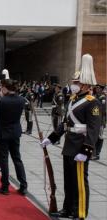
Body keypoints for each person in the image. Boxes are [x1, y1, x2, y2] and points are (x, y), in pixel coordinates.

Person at [41, 54, 101, 219]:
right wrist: (52, 138)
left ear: (85, 85)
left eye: (76, 83)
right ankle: (68, 208)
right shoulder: (74, 100)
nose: (73, 85)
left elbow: (94, 129)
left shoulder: (92, 102)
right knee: (68, 181)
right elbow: (66, 124)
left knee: (80, 182)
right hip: (69, 145)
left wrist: (87, 150)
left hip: (80, 147)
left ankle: (79, 211)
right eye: (74, 83)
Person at [0, 78, 28, 196]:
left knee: (4, 160)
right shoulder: (21, 100)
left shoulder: (0, 101)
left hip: (3, 133)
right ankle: (23, 185)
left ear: (4, 87)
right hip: (15, 132)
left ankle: (5, 186)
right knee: (17, 158)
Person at [92, 85, 106, 160]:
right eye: (96, 88)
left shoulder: (103, 98)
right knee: (94, 136)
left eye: (98, 88)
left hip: (100, 120)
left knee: (99, 137)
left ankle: (97, 153)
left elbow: (103, 110)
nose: (97, 89)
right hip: (95, 119)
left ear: (101, 89)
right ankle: (94, 153)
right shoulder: (95, 96)